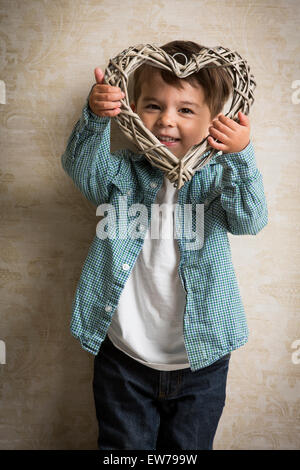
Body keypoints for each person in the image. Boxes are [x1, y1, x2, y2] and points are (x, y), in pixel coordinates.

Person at [61, 40, 268, 450]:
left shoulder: (215, 179)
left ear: (214, 120)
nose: (166, 122)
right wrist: (95, 118)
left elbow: (250, 219)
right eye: (153, 106)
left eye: (186, 110)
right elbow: (81, 170)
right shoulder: (121, 173)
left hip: (202, 360)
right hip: (124, 357)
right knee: (123, 450)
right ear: (133, 110)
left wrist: (240, 155)